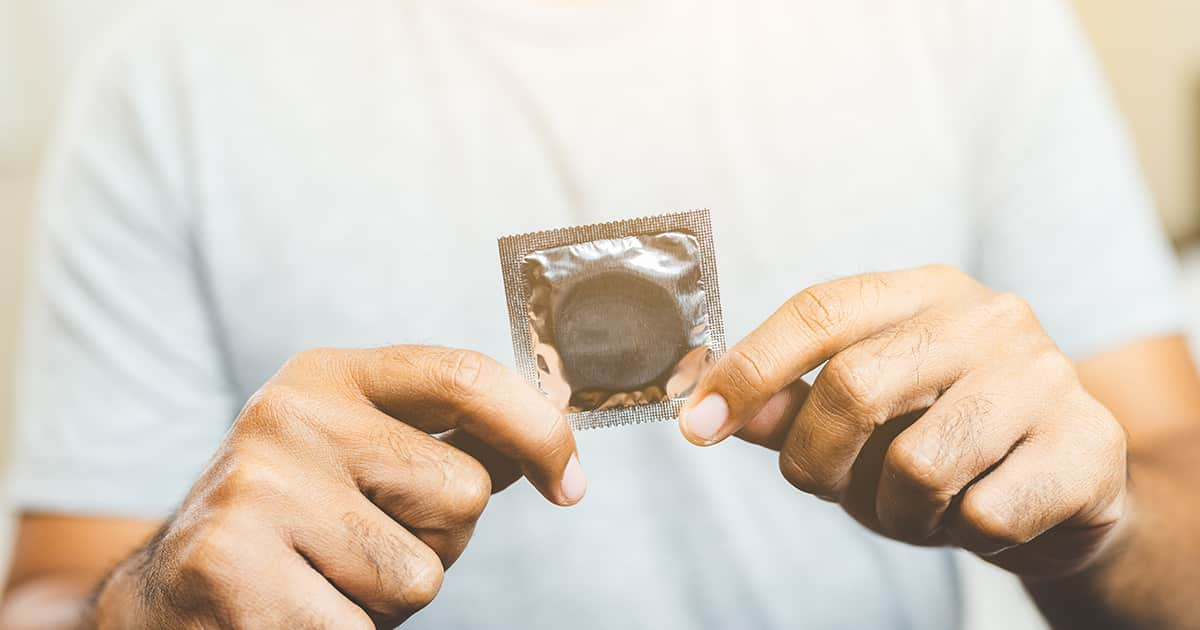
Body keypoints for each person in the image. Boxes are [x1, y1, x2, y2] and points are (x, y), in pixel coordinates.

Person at [2, 0, 1199, 628]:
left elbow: (1174, 521)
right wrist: (152, 607)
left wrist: (1100, 521)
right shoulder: (169, 78)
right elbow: (55, 594)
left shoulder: (970, 20)